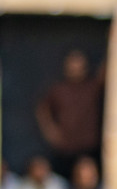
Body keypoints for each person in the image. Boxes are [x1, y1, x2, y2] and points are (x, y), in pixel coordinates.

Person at [35, 49, 105, 181]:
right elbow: (42, 109)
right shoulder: (59, 90)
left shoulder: (92, 87)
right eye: (73, 65)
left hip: (88, 147)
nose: (76, 69)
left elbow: (105, 73)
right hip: (65, 149)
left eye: (79, 65)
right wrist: (50, 131)